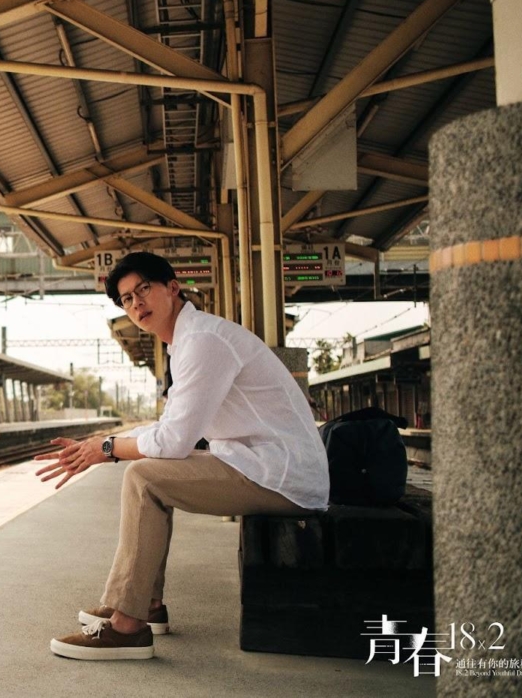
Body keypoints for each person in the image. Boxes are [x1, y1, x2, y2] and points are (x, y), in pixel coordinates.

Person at [35, 251, 329, 660]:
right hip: (262, 464)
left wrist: (107, 448)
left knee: (145, 478)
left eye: (144, 289)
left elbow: (174, 442)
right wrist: (111, 439)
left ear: (172, 288)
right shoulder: (189, 342)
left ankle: (128, 626)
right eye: (125, 299)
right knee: (147, 471)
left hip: (280, 474)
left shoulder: (204, 342)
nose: (136, 304)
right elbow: (172, 430)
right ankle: (145, 605)